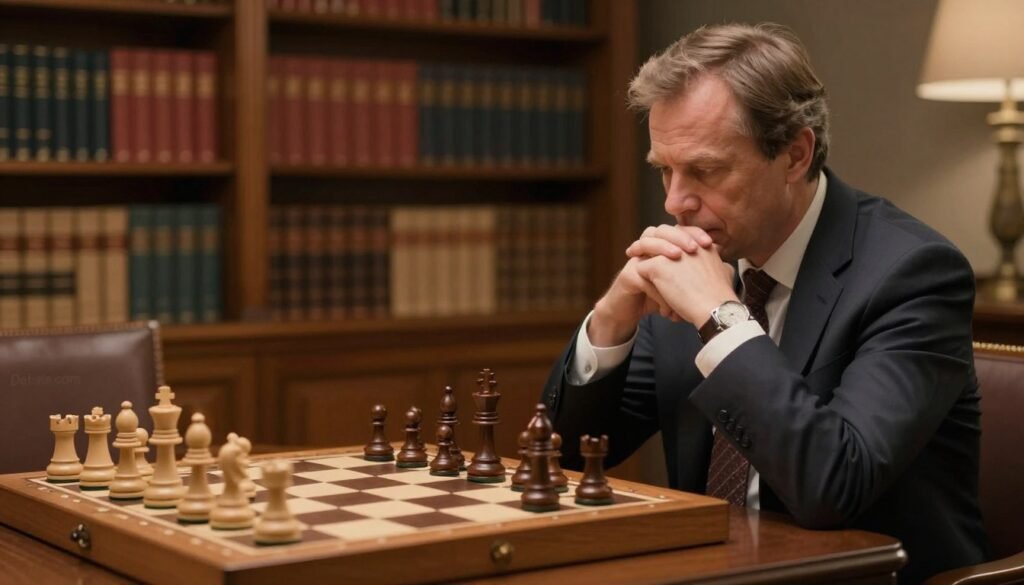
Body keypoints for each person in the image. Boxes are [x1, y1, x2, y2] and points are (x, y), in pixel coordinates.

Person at [540, 22, 988, 584]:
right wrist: (611, 318)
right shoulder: (700, 259)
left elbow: (833, 486)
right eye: (664, 170)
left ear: (796, 155)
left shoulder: (913, 274)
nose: (676, 202)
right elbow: (563, 457)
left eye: (704, 170)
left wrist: (721, 318)